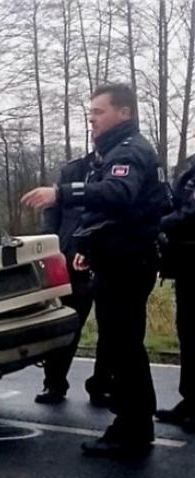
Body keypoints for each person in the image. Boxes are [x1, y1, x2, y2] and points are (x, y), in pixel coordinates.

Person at [22, 83, 169, 457]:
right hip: (116, 258)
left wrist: (61, 193)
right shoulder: (113, 152)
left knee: (123, 346)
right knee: (122, 345)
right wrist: (89, 246)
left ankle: (133, 429)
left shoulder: (129, 151)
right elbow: (113, 214)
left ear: (125, 113)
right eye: (90, 115)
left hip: (128, 264)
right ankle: (134, 422)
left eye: (98, 113)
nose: (92, 121)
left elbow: (119, 194)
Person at [33, 154, 112, 406]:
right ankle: (54, 383)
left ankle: (103, 384)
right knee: (67, 325)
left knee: (111, 328)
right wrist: (47, 248)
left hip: (105, 259)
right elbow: (52, 215)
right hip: (68, 261)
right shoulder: (73, 170)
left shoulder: (119, 168)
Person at [156, 158, 195, 428]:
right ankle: (190, 400)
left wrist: (158, 223)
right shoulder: (191, 167)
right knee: (188, 332)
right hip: (186, 263)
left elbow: (191, 213)